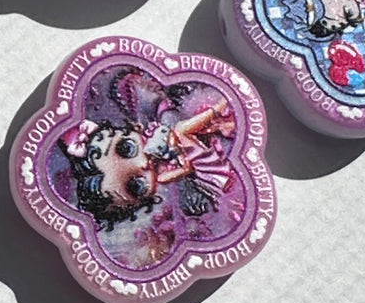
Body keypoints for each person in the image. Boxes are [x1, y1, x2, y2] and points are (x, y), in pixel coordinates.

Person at [59, 95, 236, 231]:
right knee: (181, 130)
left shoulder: (155, 123)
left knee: (179, 129)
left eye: (127, 148)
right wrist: (181, 160)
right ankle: (217, 109)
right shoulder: (169, 181)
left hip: (202, 144)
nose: (142, 163)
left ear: (130, 129)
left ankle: (219, 114)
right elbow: (187, 168)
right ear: (143, 200)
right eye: (136, 185)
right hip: (204, 164)